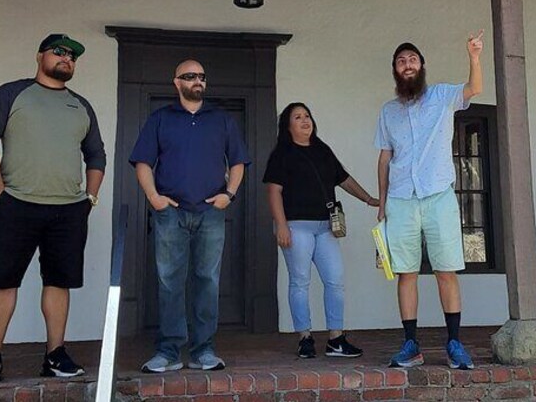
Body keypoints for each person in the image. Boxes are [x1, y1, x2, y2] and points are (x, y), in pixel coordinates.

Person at [0, 34, 106, 386]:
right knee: (3, 281)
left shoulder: (82, 105)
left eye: (72, 56)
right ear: (40, 56)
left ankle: (55, 355)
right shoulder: (11, 93)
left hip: (67, 210)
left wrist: (89, 198)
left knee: (59, 282)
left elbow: (96, 155)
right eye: (59, 52)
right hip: (16, 204)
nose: (67, 58)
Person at [130, 59, 250, 373]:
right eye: (190, 76)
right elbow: (142, 161)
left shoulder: (221, 119)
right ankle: (168, 352)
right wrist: (154, 198)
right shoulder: (160, 119)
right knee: (169, 282)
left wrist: (229, 195)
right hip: (171, 214)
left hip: (210, 213)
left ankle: (203, 351)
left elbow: (237, 162)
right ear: (177, 82)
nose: (198, 81)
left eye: (201, 76)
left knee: (207, 281)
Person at [375, 32, 483, 370]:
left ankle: (454, 343)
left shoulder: (441, 96)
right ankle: (411, 345)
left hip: (438, 196)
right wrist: (381, 204)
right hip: (401, 199)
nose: (407, 64)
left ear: (422, 66)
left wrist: (474, 56)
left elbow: (474, 88)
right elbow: (384, 158)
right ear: (394, 69)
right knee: (406, 273)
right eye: (401, 61)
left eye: (412, 59)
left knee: (445, 270)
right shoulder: (388, 111)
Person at [264, 102, 379, 359]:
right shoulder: (282, 153)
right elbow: (273, 191)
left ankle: (336, 339)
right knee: (300, 282)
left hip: (325, 227)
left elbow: (344, 178)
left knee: (335, 281)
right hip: (296, 227)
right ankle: (305, 337)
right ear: (288, 126)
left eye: (307, 116)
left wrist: (368, 199)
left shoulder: (322, 149)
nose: (305, 120)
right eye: (298, 117)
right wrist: (281, 225)